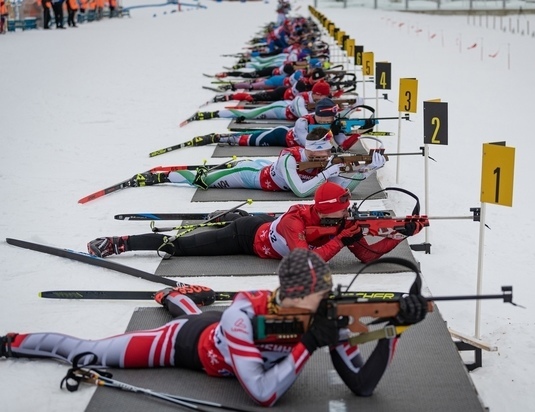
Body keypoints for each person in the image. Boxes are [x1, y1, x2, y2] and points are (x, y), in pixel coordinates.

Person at [0, 248, 428, 406]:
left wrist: (397, 330)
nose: (326, 309)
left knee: (195, 313)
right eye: (319, 300)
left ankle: (175, 297)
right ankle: (12, 341)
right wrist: (308, 345)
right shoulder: (245, 315)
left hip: (217, 332)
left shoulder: (318, 314)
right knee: (87, 353)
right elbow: (262, 394)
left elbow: (363, 386)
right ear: (294, 297)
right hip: (185, 345)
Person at [85, 181, 424, 263]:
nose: (349, 213)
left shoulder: (336, 221)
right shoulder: (297, 220)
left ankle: (232, 215)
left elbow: (367, 255)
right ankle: (122, 242)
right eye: (344, 207)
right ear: (326, 209)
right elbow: (306, 262)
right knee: (181, 247)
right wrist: (341, 241)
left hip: (266, 222)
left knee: (248, 217)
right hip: (246, 238)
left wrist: (400, 234)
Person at [137, 127, 385, 195]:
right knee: (205, 180)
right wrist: (326, 173)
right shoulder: (291, 157)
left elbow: (343, 188)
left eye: (327, 155)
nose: (325, 158)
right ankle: (162, 177)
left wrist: (367, 171)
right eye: (320, 156)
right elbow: (299, 192)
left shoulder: (329, 160)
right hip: (252, 176)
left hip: (263, 169)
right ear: (309, 151)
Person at [184, 97, 361, 151]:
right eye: (325, 118)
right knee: (249, 139)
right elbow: (306, 143)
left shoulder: (334, 123)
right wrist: (330, 139)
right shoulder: (303, 121)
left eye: (330, 119)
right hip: (282, 136)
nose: (328, 122)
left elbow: (344, 145)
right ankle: (221, 138)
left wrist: (358, 132)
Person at [186, 81, 331, 124]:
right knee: (249, 113)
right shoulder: (302, 98)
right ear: (317, 94)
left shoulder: (317, 100)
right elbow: (304, 116)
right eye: (324, 96)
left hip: (284, 104)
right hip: (279, 109)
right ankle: (212, 113)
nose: (325, 99)